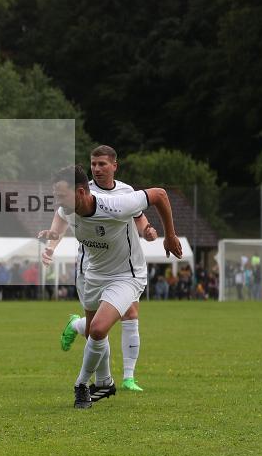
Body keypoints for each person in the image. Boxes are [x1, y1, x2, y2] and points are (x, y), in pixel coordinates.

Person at [39, 165, 181, 409]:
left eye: (61, 195)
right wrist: (51, 238)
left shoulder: (116, 205)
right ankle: (104, 381)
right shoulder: (67, 209)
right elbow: (60, 221)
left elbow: (160, 194)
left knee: (97, 329)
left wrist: (169, 235)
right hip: (93, 275)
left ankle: (81, 384)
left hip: (126, 276)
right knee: (96, 331)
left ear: (81, 192)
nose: (58, 201)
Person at [58, 145, 159, 392]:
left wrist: (147, 230)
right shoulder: (82, 192)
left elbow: (139, 213)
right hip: (90, 268)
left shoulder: (125, 193)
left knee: (127, 316)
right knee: (95, 329)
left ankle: (127, 377)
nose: (97, 168)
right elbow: (61, 214)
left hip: (124, 270)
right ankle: (99, 371)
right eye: (93, 164)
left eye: (102, 164)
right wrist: (52, 240)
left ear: (115, 165)